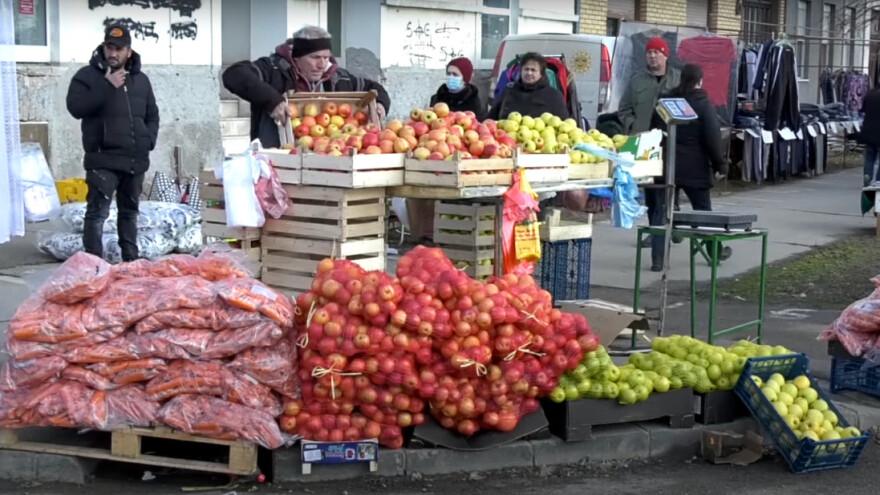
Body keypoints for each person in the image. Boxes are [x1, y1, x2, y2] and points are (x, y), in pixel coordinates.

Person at [66, 25, 159, 262]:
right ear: (103, 47)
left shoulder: (141, 80)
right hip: (103, 159)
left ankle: (131, 262)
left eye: (119, 49)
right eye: (110, 47)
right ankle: (93, 265)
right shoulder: (87, 76)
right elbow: (76, 108)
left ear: (129, 51)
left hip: (135, 159)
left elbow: (152, 115)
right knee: (97, 214)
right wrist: (106, 86)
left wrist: (148, 140)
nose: (113, 53)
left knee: (129, 213)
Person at [223, 25, 391, 149]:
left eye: (326, 57)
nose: (322, 64)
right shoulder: (273, 69)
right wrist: (272, 100)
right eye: (315, 57)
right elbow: (234, 75)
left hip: (329, 160)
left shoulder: (338, 77)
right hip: (277, 162)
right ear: (297, 57)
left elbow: (372, 87)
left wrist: (381, 103)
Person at [649, 64, 730, 271]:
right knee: (704, 213)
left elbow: (654, 131)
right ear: (700, 81)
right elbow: (712, 137)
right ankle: (714, 253)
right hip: (695, 168)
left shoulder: (666, 101)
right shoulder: (703, 105)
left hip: (667, 166)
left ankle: (658, 260)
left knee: (660, 214)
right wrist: (720, 163)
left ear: (681, 79)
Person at [617, 37, 681, 262]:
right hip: (644, 144)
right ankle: (657, 232)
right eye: (649, 53)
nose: (653, 56)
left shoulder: (677, 79)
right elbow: (623, 109)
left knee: (669, 190)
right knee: (652, 192)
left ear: (666, 55)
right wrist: (632, 126)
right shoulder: (637, 81)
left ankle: (666, 229)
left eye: (657, 52)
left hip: (671, 143)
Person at [487, 52, 567, 120]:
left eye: (533, 70)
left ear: (541, 74)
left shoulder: (553, 96)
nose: (529, 73)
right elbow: (491, 118)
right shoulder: (509, 91)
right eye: (526, 69)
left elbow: (563, 124)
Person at [859, 84, 880, 186]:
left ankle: (867, 175)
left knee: (870, 156)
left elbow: (862, 109)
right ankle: (878, 180)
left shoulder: (870, 93)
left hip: (869, 131)